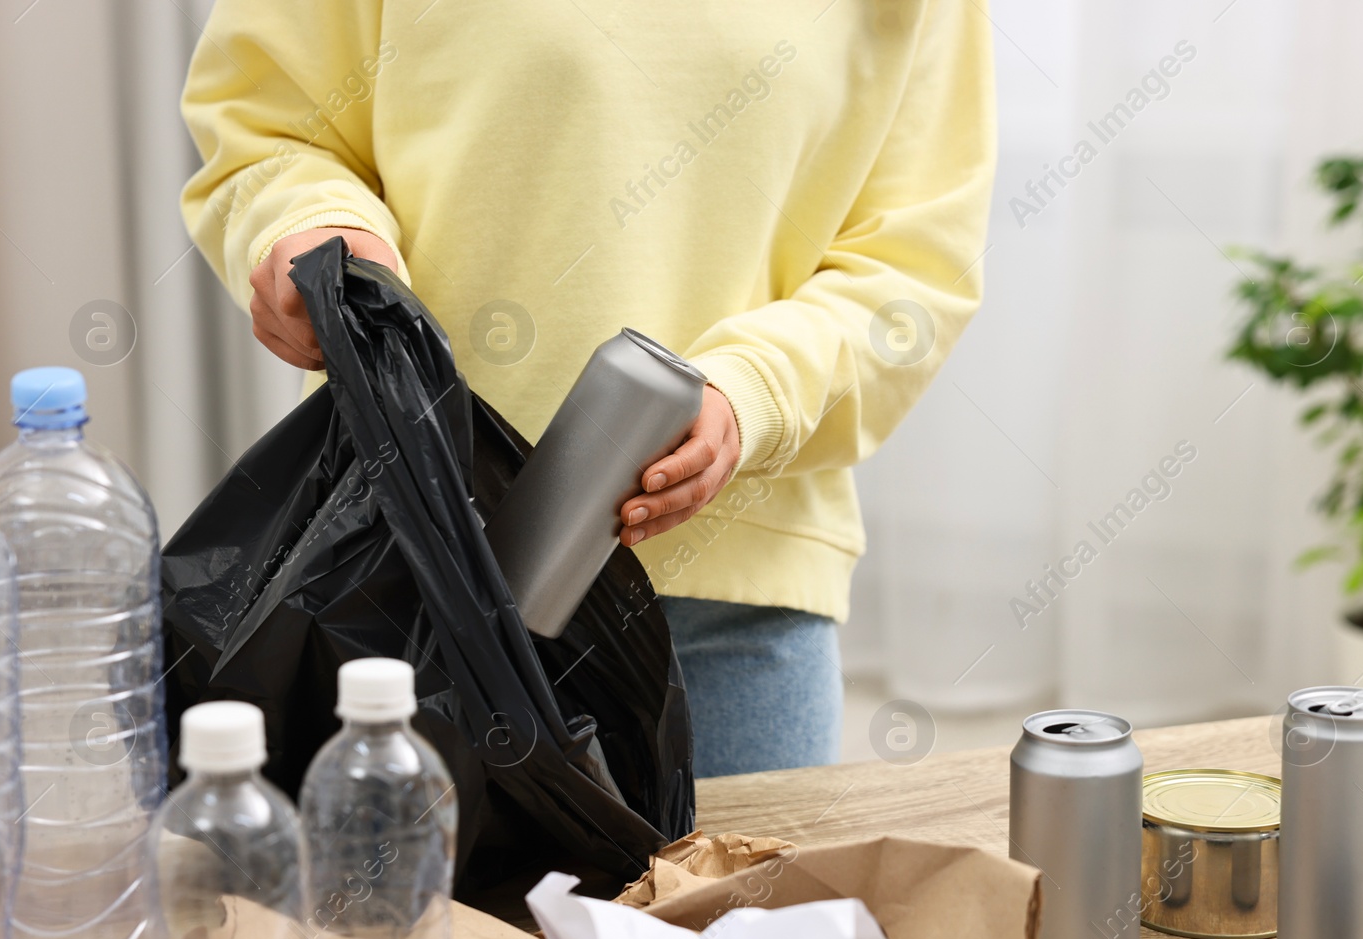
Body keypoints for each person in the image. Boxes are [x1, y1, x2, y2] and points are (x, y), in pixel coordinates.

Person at [181, 1, 994, 777]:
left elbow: (914, 268)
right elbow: (270, 124)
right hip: (395, 570)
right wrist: (315, 228)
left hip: (728, 610)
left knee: (743, 920)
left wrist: (755, 394)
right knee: (401, 923)